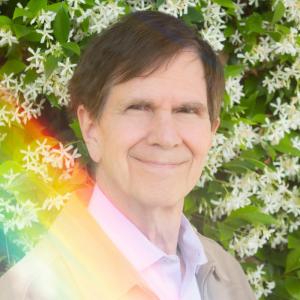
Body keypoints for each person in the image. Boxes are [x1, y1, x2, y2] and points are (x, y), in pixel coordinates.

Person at [0, 10, 255, 300]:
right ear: (91, 127)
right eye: (139, 107)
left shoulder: (226, 273)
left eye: (187, 110)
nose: (166, 137)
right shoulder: (31, 290)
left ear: (211, 130)